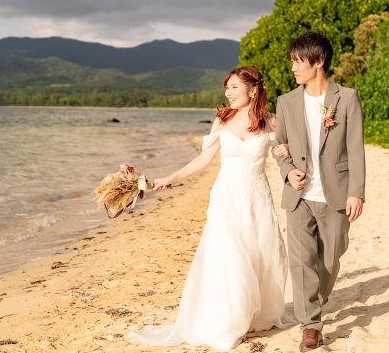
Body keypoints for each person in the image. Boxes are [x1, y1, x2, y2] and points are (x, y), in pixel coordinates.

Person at [129, 65, 296, 350]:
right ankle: (230, 321)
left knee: (259, 253)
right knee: (229, 257)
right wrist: (170, 178)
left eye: (234, 87)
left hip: (257, 198)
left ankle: (254, 315)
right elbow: (203, 160)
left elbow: (295, 147)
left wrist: (290, 151)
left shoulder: (271, 122)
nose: (228, 93)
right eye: (227, 88)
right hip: (226, 198)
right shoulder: (221, 120)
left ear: (253, 90)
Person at [272, 31, 366, 350]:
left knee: (331, 258)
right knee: (301, 261)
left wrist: (357, 192)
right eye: (293, 62)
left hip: (336, 194)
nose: (294, 68)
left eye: (299, 62)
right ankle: (310, 324)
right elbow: (279, 146)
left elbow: (356, 150)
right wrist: (288, 172)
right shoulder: (285, 102)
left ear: (319, 62)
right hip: (299, 197)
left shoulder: (347, 98)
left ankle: (317, 299)